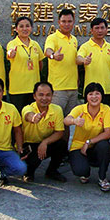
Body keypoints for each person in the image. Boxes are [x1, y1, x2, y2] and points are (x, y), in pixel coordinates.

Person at [66, 82, 110, 192]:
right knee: (80, 170)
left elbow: (108, 133)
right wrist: (74, 121)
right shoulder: (80, 109)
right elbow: (66, 120)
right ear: (86, 96)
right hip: (78, 147)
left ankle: (102, 177)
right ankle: (85, 172)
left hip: (95, 145)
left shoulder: (105, 109)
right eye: (90, 94)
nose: (94, 97)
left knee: (105, 146)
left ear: (102, 96)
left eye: (97, 93)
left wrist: (89, 142)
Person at [21, 81, 67, 183]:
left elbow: (59, 132)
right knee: (33, 160)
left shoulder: (57, 110)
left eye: (48, 95)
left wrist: (45, 142)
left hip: (45, 142)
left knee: (62, 144)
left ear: (52, 96)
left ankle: (52, 171)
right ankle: (28, 173)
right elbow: (28, 115)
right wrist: (33, 117)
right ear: (34, 96)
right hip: (29, 144)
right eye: (41, 95)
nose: (44, 98)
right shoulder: (28, 108)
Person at [44, 8, 79, 143]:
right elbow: (47, 51)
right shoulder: (52, 38)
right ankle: (52, 149)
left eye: (69, 21)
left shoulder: (74, 39)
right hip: (58, 88)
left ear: (73, 22)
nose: (66, 24)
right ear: (58, 22)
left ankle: (64, 150)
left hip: (73, 88)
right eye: (63, 21)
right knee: (55, 122)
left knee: (67, 122)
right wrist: (53, 55)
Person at [77, 18, 110, 108]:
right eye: (97, 28)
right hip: (91, 91)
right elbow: (78, 59)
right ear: (91, 30)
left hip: (107, 90)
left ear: (106, 30)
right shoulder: (85, 47)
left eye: (102, 28)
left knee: (106, 115)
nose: (100, 31)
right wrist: (84, 60)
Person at [6, 16, 45, 112]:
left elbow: (40, 63)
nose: (25, 29)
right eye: (21, 26)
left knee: (33, 116)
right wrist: (11, 53)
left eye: (27, 26)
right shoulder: (12, 43)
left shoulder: (35, 44)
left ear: (31, 28)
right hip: (18, 88)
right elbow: (10, 53)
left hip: (33, 89)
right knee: (18, 116)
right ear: (16, 29)